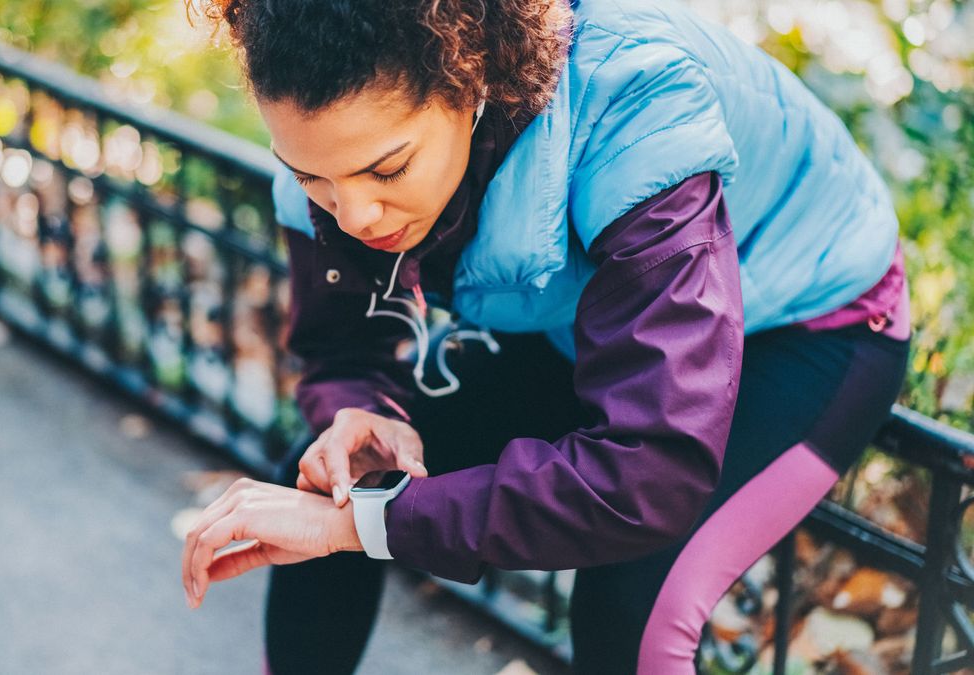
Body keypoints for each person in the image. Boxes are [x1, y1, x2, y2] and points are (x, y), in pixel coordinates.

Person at [179, 0, 912, 672]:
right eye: (314, 181)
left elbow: (647, 477)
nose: (357, 216)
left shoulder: (638, 111)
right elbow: (342, 349)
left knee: (629, 604)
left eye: (388, 169)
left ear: (471, 82)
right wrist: (361, 407)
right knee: (322, 490)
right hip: (601, 311)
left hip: (808, 322)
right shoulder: (328, 150)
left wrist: (372, 524)